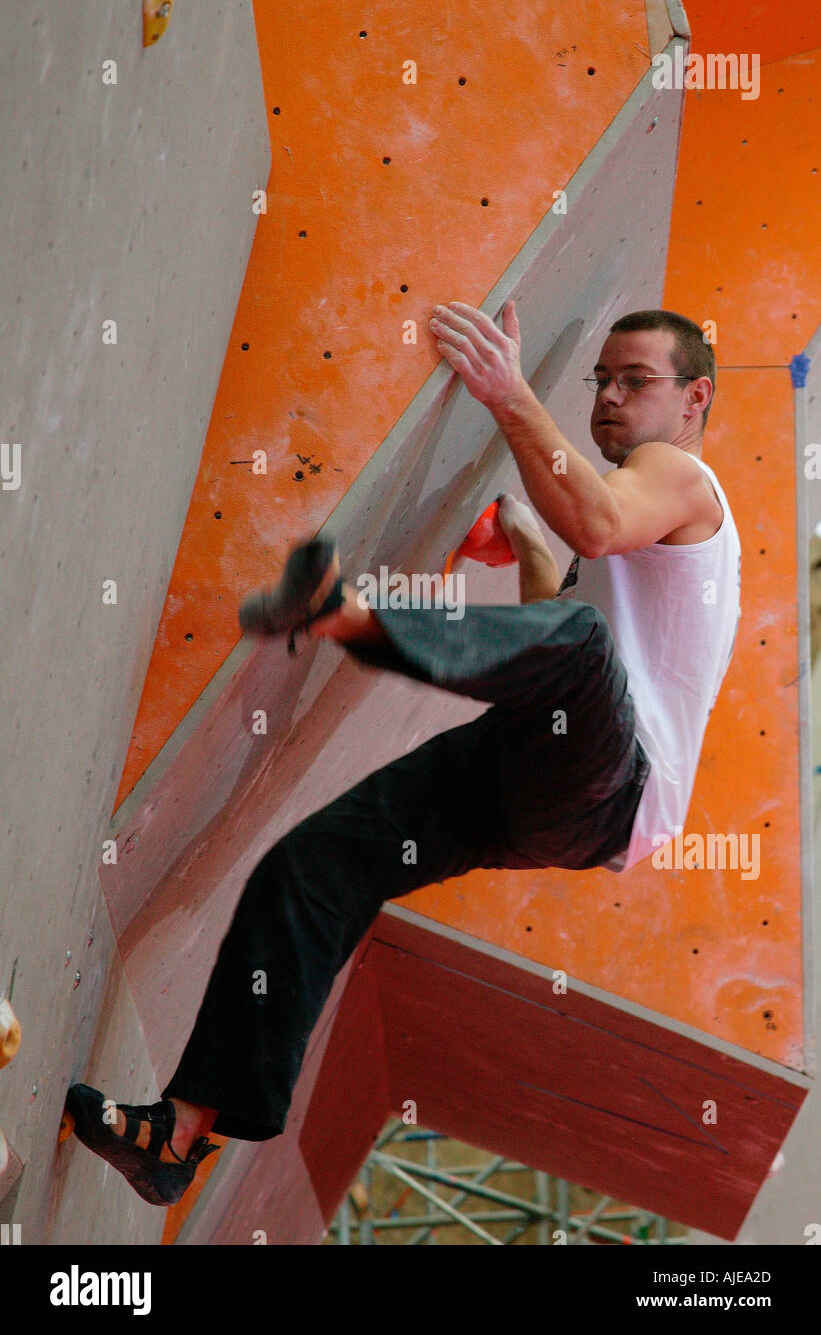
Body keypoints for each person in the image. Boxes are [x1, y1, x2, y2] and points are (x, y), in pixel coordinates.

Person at [65, 300, 740, 1205]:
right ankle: (180, 1133)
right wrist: (527, 542)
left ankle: (348, 618)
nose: (610, 397)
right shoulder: (628, 506)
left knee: (575, 644)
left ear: (694, 398)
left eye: (636, 381)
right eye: (601, 380)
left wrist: (505, 393)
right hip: (549, 783)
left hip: (612, 787)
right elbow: (571, 585)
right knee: (315, 865)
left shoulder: (680, 479)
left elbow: (596, 536)